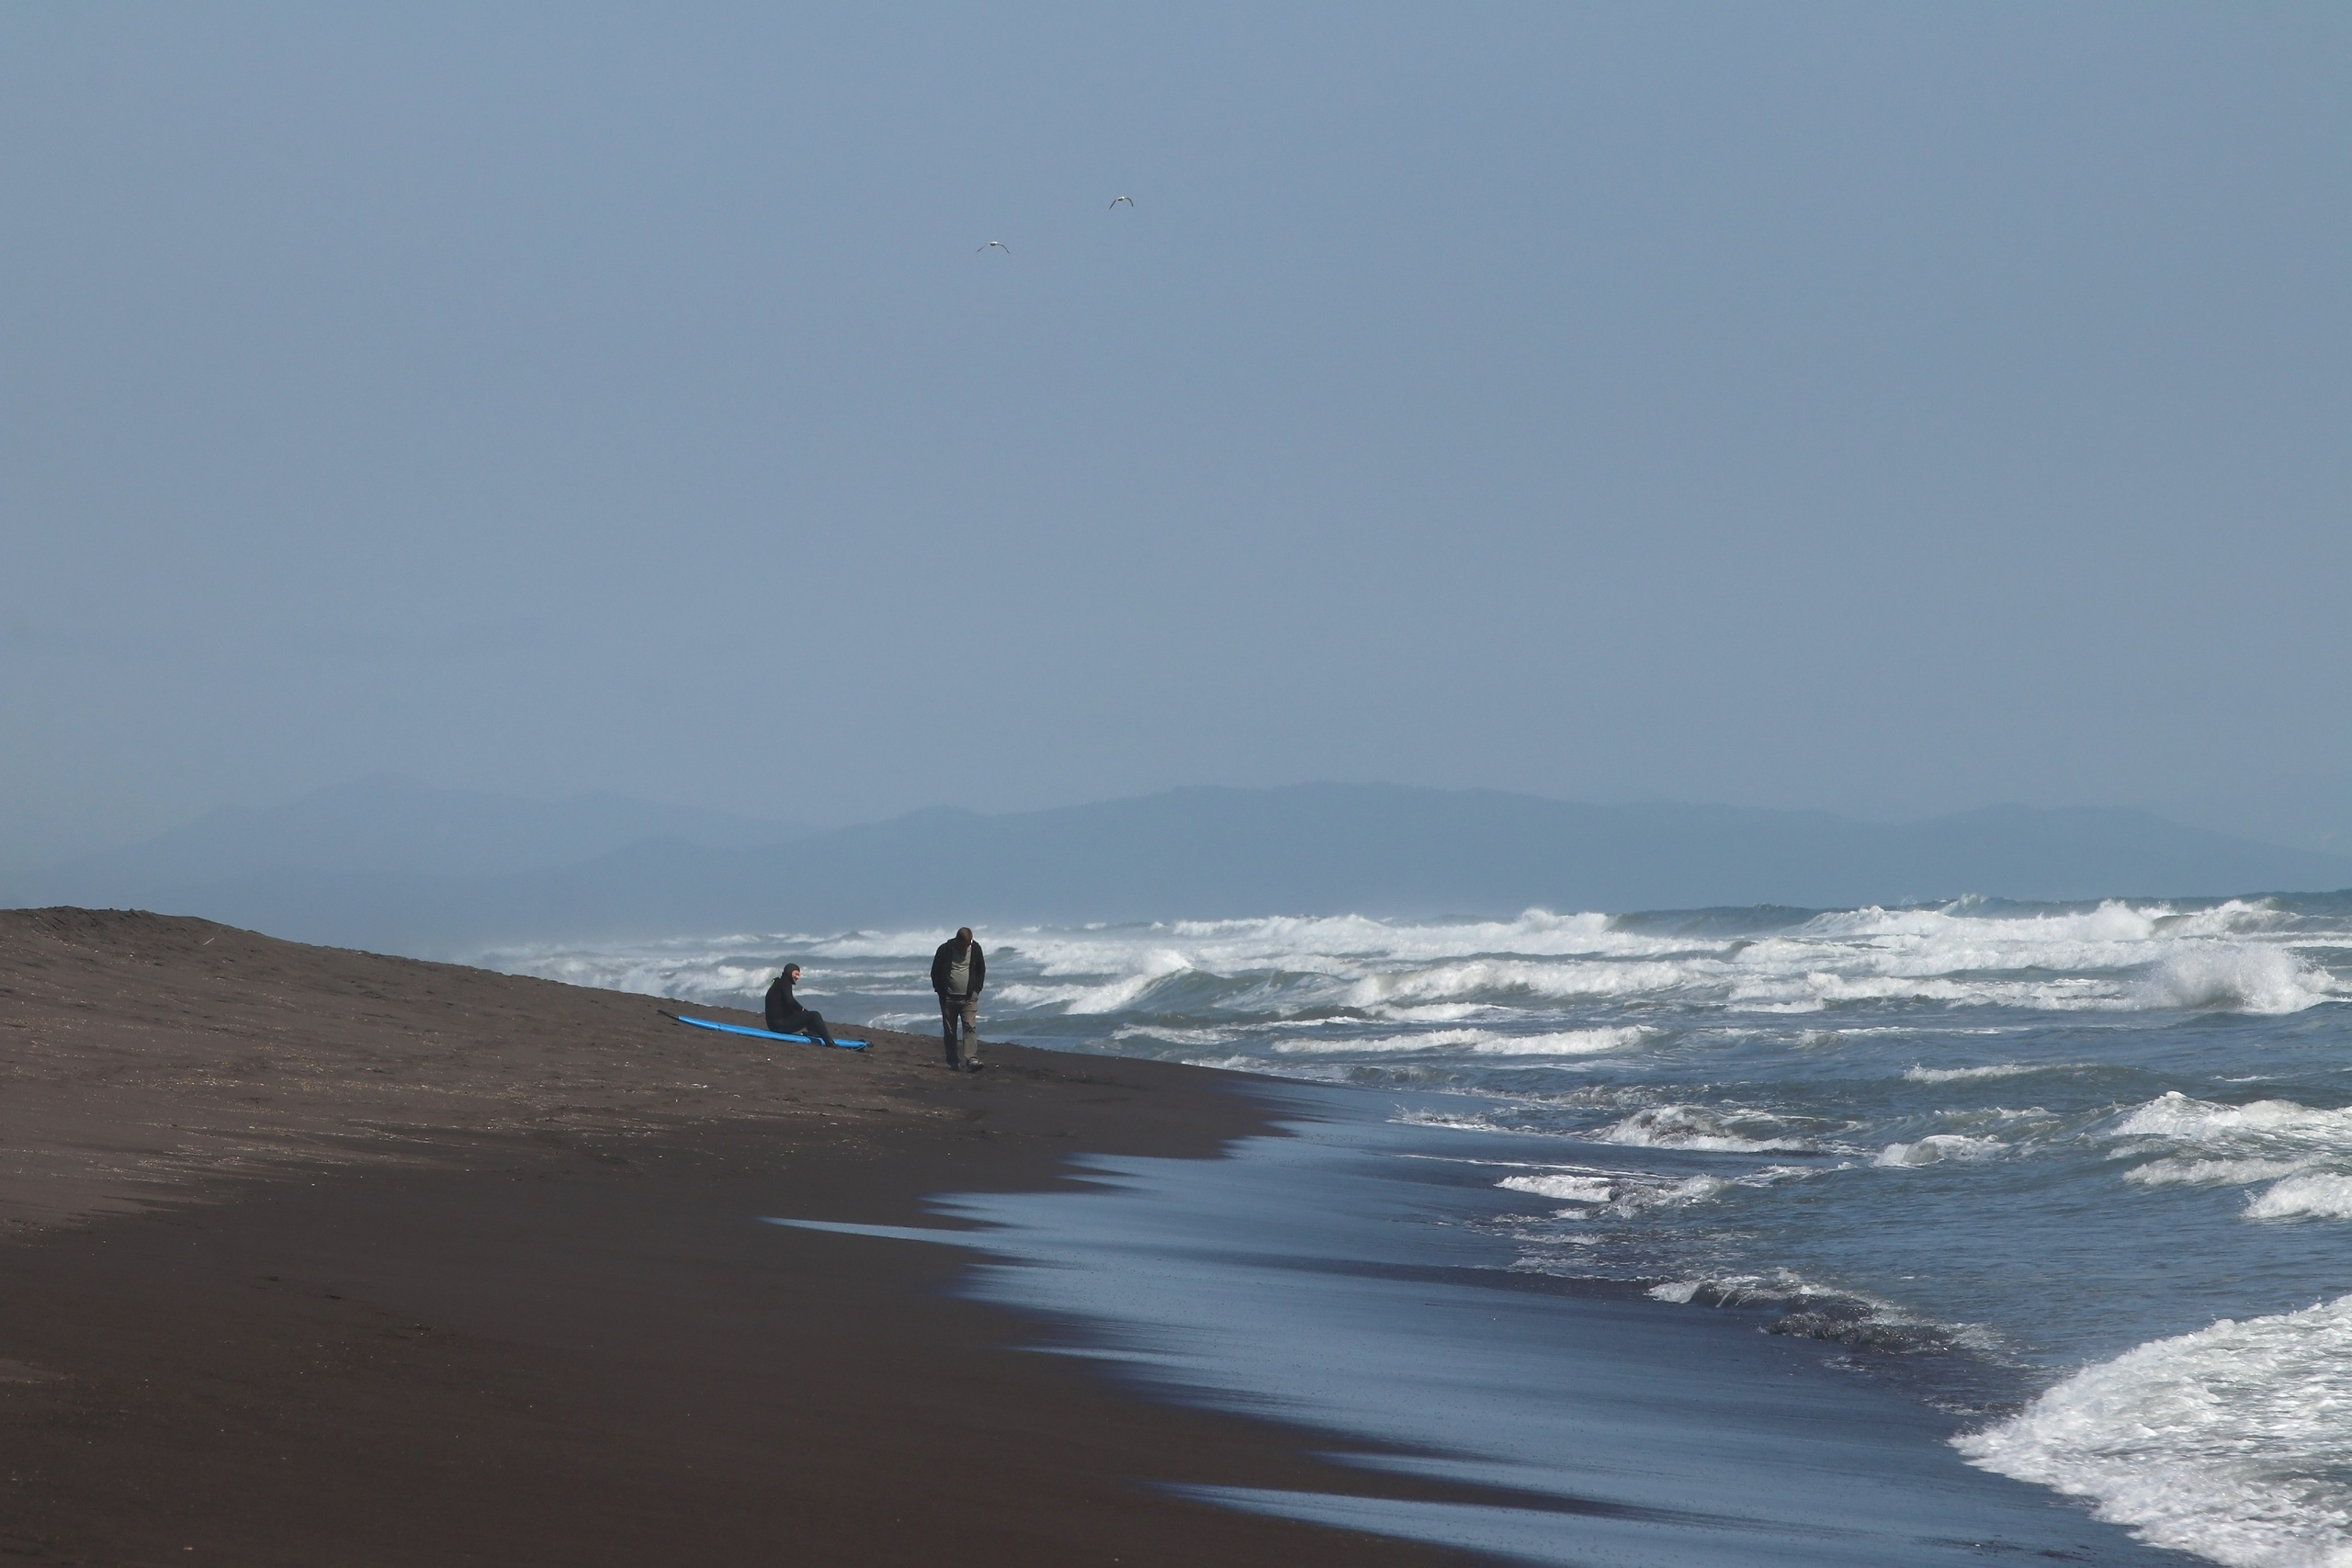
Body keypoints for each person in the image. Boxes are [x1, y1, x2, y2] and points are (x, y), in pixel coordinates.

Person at [930, 927, 986, 1071]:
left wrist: (977, 989)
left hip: (969, 997)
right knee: (950, 1030)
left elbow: (981, 970)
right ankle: (953, 1061)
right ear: (958, 940)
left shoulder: (975, 949)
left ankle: (971, 1059)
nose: (966, 947)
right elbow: (935, 971)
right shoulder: (945, 949)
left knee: (970, 1027)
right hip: (948, 997)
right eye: (964, 944)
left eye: (969, 944)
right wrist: (940, 991)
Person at [763, 964, 839, 1048]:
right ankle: (829, 1042)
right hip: (779, 1025)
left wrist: (803, 1011)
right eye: (796, 974)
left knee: (806, 1014)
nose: (797, 977)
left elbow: (786, 1004)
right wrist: (801, 1009)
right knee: (815, 1015)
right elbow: (790, 1001)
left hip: (773, 1025)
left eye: (798, 975)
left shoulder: (778, 982)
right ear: (789, 972)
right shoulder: (785, 982)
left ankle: (813, 1032)